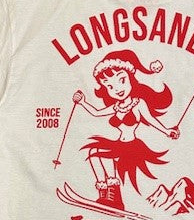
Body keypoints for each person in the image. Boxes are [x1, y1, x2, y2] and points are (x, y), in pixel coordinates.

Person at [74, 49, 180, 210]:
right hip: (119, 144)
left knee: (104, 155)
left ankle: (115, 197)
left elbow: (151, 120)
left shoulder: (138, 103)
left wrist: (167, 131)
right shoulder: (116, 107)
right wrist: (82, 102)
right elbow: (96, 113)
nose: (117, 89)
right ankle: (103, 193)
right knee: (93, 152)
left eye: (122, 80)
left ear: (131, 78)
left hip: (131, 146)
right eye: (110, 86)